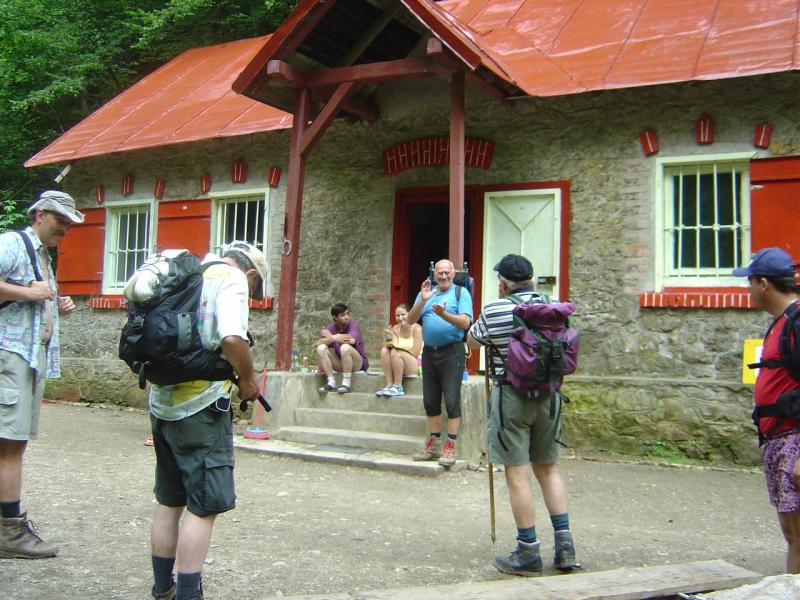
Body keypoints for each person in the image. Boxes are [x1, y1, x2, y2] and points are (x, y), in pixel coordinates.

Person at [148, 241, 268, 600]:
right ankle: (188, 594)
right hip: (201, 406)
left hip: (162, 402)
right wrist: (247, 378)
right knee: (203, 508)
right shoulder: (230, 278)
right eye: (254, 289)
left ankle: (162, 588)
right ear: (249, 274)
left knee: (170, 502)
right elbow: (232, 337)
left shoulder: (185, 273)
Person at [467, 254, 578, 576]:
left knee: (518, 473)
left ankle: (528, 552)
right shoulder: (552, 306)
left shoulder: (495, 308)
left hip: (511, 397)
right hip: (550, 396)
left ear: (502, 283)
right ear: (531, 277)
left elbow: (472, 342)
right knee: (549, 469)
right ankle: (565, 547)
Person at [0, 191, 83, 559]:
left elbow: (35, 296)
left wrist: (57, 304)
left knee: (14, 444)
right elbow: (26, 293)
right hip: (11, 355)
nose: (65, 227)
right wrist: (29, 293)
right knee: (10, 445)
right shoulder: (12, 243)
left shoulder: (42, 255)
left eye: (68, 222)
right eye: (60, 220)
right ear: (39, 214)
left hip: (29, 358)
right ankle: (9, 532)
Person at [733, 246, 800, 573]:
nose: (746, 288)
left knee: (799, 538)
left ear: (763, 284)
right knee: (793, 536)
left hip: (794, 444)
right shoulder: (782, 321)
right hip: (778, 441)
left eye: (749, 281)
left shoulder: (797, 322)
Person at [407, 259, 472, 467]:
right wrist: (422, 301)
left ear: (453, 273)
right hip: (430, 353)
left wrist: (444, 314)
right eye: (439, 273)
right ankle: (433, 445)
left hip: (452, 351)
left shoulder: (461, 293)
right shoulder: (427, 292)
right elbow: (410, 320)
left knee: (452, 401)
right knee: (431, 401)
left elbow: (465, 322)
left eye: (447, 273)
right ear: (434, 274)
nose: (443, 276)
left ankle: (450, 447)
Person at [316, 303, 369, 394]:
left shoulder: (353, 324)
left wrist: (332, 337)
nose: (347, 317)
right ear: (335, 317)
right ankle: (331, 381)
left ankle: (346, 383)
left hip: (358, 364)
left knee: (345, 347)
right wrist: (334, 338)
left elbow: (351, 340)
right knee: (321, 348)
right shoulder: (331, 328)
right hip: (341, 364)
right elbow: (317, 344)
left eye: (347, 313)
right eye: (343, 315)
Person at [376, 303, 422, 397]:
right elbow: (393, 347)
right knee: (385, 350)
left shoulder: (417, 328)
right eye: (397, 315)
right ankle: (389, 385)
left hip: (415, 364)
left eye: (403, 314)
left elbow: (416, 353)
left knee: (396, 351)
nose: (400, 318)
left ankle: (398, 386)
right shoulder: (395, 328)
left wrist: (400, 350)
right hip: (398, 363)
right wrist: (389, 339)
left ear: (410, 314)